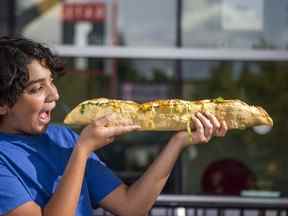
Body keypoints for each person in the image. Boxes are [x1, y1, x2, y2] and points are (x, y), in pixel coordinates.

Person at [0, 36, 228, 216]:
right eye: (37, 88)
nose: (55, 95)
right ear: (3, 104)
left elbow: (131, 207)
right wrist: (82, 152)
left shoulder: (63, 138)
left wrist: (178, 141)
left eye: (51, 82)